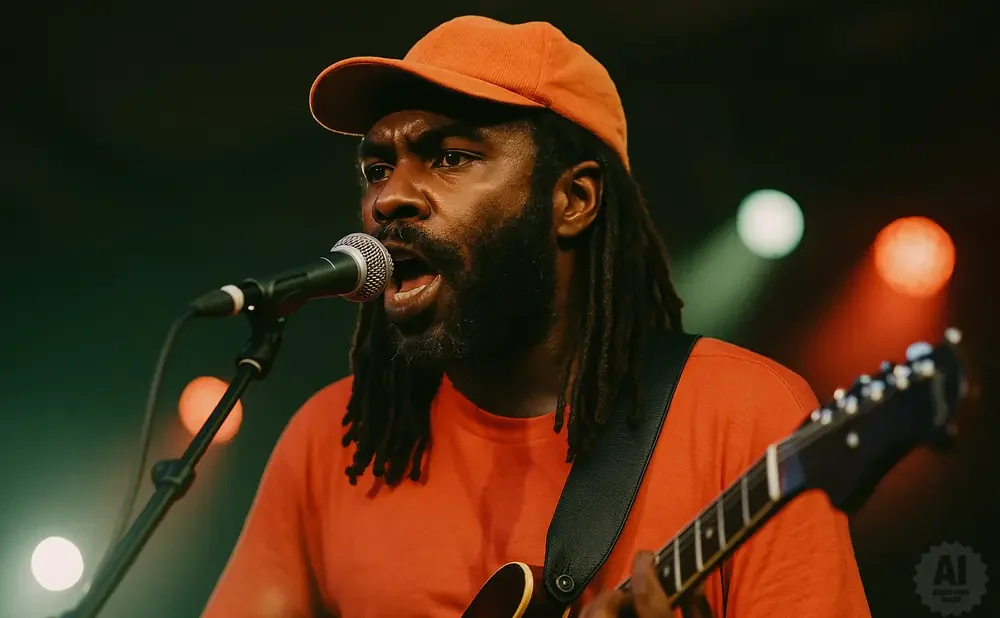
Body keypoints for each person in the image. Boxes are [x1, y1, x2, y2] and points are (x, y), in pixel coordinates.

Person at [201, 15, 871, 618]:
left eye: (450, 158)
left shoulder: (745, 414)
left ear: (574, 199)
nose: (390, 198)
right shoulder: (335, 440)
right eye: (378, 168)